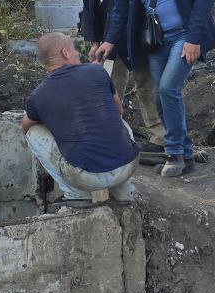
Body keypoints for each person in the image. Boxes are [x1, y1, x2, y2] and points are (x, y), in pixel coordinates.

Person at [94, 0, 215, 178]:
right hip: (155, 40)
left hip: (185, 35)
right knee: (159, 95)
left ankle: (174, 153)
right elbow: (123, 4)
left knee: (167, 88)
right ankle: (186, 152)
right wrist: (110, 40)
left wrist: (195, 38)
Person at [74, 0, 165, 152]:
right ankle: (110, 133)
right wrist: (92, 41)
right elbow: (89, 9)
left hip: (136, 35)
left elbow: (118, 13)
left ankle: (160, 138)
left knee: (145, 83)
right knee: (109, 85)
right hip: (110, 38)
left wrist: (103, 47)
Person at [21, 32, 140, 202]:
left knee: (33, 133)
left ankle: (76, 195)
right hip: (129, 165)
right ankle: (124, 190)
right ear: (65, 53)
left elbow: (25, 127)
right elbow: (119, 110)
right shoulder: (97, 71)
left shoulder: (38, 96)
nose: (77, 53)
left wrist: (53, 120)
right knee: (114, 116)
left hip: (86, 178)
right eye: (74, 49)